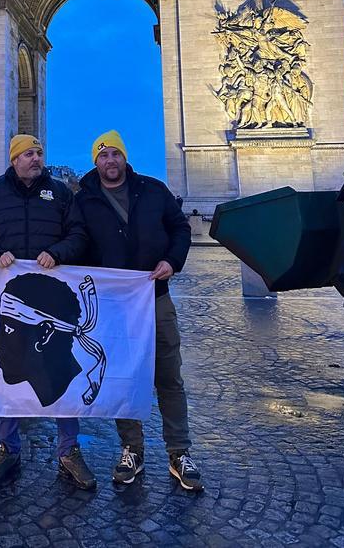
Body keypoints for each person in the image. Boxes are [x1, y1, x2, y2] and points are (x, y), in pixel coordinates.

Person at [75, 130, 202, 491]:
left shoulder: (154, 190)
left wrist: (172, 261)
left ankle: (179, 452)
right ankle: (132, 448)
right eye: (103, 155)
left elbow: (180, 229)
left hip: (155, 297)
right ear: (95, 161)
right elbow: (77, 241)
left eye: (116, 154)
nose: (110, 161)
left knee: (169, 377)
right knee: (123, 377)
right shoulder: (84, 199)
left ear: (124, 158)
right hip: (114, 305)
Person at [0, 134, 96, 490]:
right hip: (11, 303)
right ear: (13, 160)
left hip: (51, 303)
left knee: (60, 376)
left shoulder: (60, 192)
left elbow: (79, 233)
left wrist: (58, 252)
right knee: (8, 375)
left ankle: (69, 451)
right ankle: (7, 447)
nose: (36, 158)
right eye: (29, 154)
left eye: (39, 153)